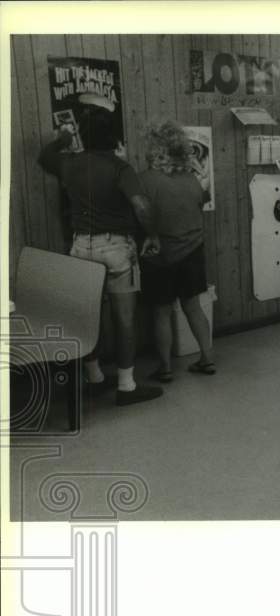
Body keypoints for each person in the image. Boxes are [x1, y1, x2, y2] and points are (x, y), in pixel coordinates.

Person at [38, 103, 163, 406]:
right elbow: (142, 207)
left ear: (84, 136)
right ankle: (126, 385)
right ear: (114, 138)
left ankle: (94, 377)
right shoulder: (120, 168)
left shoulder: (68, 164)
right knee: (124, 319)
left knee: (86, 315)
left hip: (81, 246)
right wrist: (153, 235)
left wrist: (63, 140)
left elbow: (43, 157)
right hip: (117, 247)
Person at [139, 120, 216, 380]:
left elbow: (140, 213)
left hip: (160, 256)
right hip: (193, 251)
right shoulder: (192, 180)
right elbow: (199, 202)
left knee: (161, 311)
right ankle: (206, 358)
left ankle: (165, 368)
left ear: (155, 149)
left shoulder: (146, 180)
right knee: (193, 306)